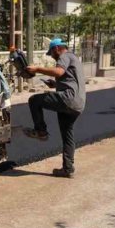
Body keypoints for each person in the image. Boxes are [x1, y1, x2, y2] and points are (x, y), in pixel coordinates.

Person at [22, 39, 86, 178]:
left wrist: (37, 69)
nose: (51, 56)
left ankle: (41, 131)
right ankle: (67, 169)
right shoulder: (74, 58)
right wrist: (55, 85)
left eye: (51, 53)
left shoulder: (64, 56)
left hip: (68, 99)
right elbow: (70, 80)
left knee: (34, 100)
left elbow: (58, 71)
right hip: (78, 104)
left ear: (57, 48)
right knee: (67, 135)